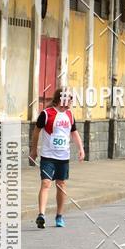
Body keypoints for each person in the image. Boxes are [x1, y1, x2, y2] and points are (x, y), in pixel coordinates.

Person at [29, 88, 85, 228]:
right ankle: (41, 215)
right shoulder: (46, 114)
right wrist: (33, 150)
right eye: (69, 99)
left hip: (63, 157)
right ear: (61, 99)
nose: (71, 102)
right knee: (46, 183)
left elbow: (74, 133)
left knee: (61, 185)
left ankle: (59, 215)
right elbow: (36, 132)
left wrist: (81, 149)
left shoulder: (70, 115)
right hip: (48, 156)